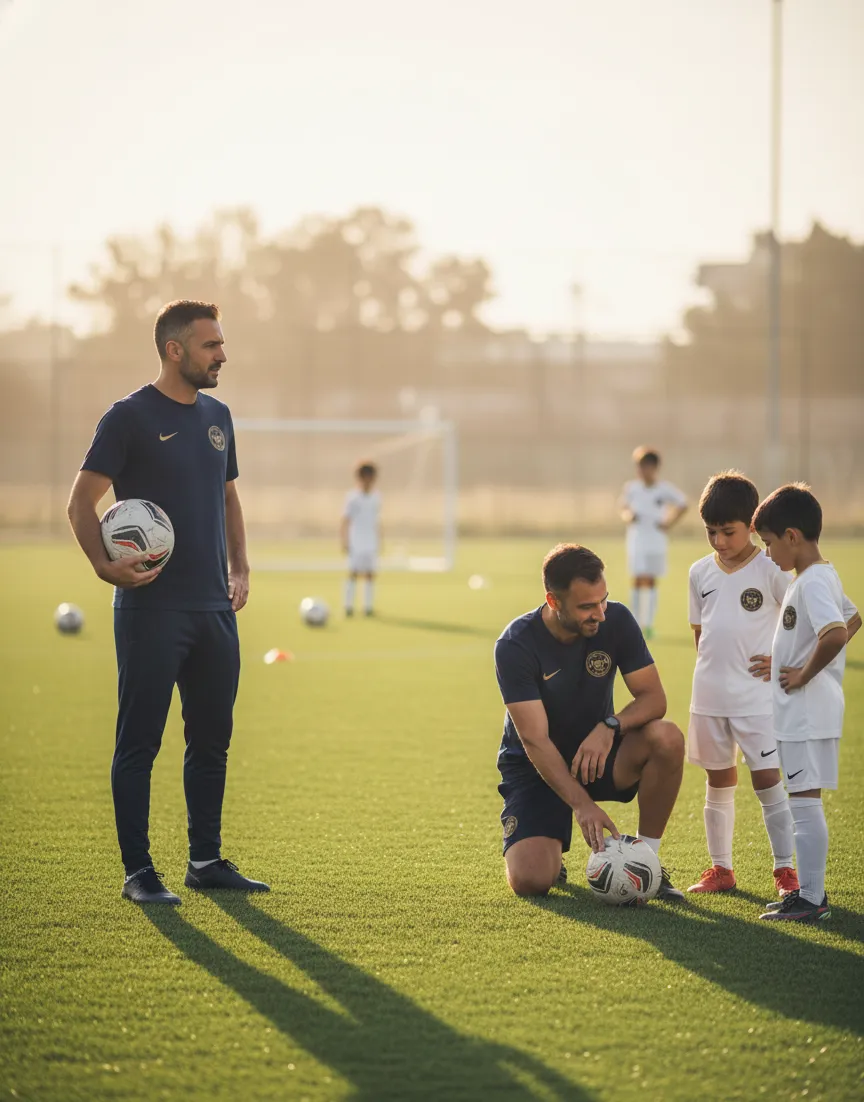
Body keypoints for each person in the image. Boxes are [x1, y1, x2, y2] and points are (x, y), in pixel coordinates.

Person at [67, 300, 269, 905]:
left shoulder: (218, 415)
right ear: (175, 350)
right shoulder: (128, 417)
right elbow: (81, 503)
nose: (223, 355)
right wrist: (105, 568)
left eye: (222, 344)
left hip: (213, 611)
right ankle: (138, 873)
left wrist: (240, 566)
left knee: (211, 741)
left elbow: (228, 497)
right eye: (211, 346)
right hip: (151, 611)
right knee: (140, 744)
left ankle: (205, 861)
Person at [494, 542, 686, 899]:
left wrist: (609, 726)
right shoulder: (515, 645)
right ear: (553, 602)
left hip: (595, 757)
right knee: (533, 881)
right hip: (536, 767)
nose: (599, 613)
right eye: (586, 606)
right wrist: (582, 806)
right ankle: (550, 841)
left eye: (603, 600)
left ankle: (647, 862)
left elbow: (653, 698)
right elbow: (535, 740)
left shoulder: (616, 619)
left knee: (667, 738)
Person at [686, 471, 799, 897]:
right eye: (710, 532)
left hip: (756, 700)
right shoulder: (699, 573)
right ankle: (721, 869)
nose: (718, 541)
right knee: (718, 782)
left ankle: (786, 872)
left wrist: (786, 660)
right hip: (709, 698)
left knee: (767, 780)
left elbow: (806, 622)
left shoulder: (773, 568)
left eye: (727, 532)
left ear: (751, 525)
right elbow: (701, 635)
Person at [753, 483, 860, 922]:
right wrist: (786, 657)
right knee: (804, 799)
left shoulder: (813, 581)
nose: (767, 554)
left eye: (769, 543)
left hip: (806, 711)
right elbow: (853, 617)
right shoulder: (821, 575)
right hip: (810, 711)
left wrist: (803, 673)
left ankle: (812, 899)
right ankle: (811, 896)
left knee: (804, 803)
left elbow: (835, 632)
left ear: (792, 536)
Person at [618, 446, 687, 639]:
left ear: (654, 468)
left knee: (650, 580)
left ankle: (648, 624)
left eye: (646, 467)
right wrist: (628, 516)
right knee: (637, 579)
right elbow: (623, 507)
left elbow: (683, 504)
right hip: (637, 539)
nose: (642, 471)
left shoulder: (664, 489)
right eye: (639, 467)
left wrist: (669, 522)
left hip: (656, 541)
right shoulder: (632, 488)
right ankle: (634, 623)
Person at [341, 462, 381, 617]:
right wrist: (344, 540)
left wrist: (379, 539)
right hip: (356, 541)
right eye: (366, 477)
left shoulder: (376, 497)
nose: (369, 480)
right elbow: (345, 519)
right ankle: (348, 606)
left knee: (370, 574)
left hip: (370, 541)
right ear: (360, 477)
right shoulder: (352, 498)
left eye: (372, 477)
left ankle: (368, 607)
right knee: (353, 573)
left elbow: (376, 519)